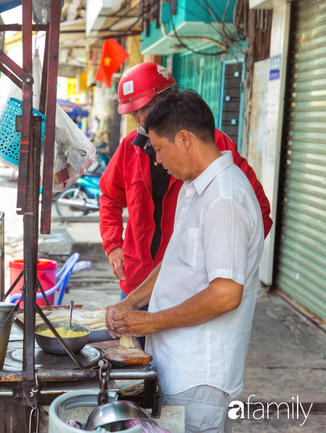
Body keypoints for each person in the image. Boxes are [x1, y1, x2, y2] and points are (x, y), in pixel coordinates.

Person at [106, 90, 264, 432]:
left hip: (200, 376)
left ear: (184, 139)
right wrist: (133, 300)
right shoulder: (196, 187)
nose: (158, 161)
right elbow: (175, 258)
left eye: (160, 150)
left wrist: (152, 322)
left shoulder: (225, 198)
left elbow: (226, 294)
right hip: (177, 365)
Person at [99, 63, 272, 302]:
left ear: (169, 100)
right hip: (138, 278)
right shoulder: (130, 147)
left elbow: (257, 212)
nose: (141, 119)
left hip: (190, 287)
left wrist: (222, 265)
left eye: (146, 108)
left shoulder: (213, 144)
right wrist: (113, 244)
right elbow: (109, 196)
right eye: (133, 113)